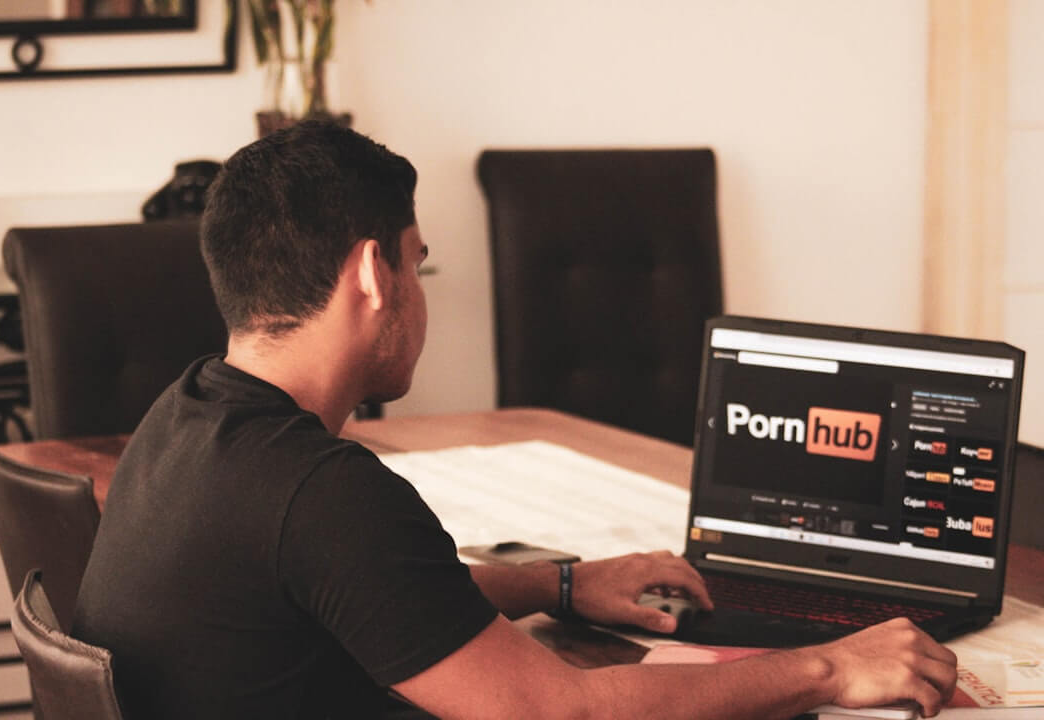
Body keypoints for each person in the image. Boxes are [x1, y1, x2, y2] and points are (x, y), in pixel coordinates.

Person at [73, 121, 958, 720]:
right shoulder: (322, 493)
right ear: (373, 276)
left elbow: (375, 596)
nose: (421, 294)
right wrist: (831, 665)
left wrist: (558, 585)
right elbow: (556, 711)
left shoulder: (186, 417)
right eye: (421, 264)